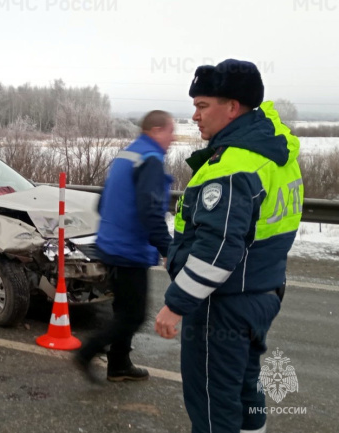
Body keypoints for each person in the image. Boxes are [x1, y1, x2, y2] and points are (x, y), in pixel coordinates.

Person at [154, 59, 303, 433]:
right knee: (245, 392)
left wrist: (175, 305)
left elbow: (218, 250)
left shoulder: (233, 166)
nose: (195, 116)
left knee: (212, 405)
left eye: (203, 106)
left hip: (222, 303)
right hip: (262, 293)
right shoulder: (275, 152)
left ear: (233, 106)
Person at [73, 110, 175, 383]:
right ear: (155, 131)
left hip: (110, 244)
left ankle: (119, 365)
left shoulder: (126, 155)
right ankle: (87, 352)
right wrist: (168, 248)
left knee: (124, 310)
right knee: (134, 315)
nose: (173, 137)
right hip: (129, 250)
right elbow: (151, 212)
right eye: (169, 131)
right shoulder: (150, 160)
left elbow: (102, 201)